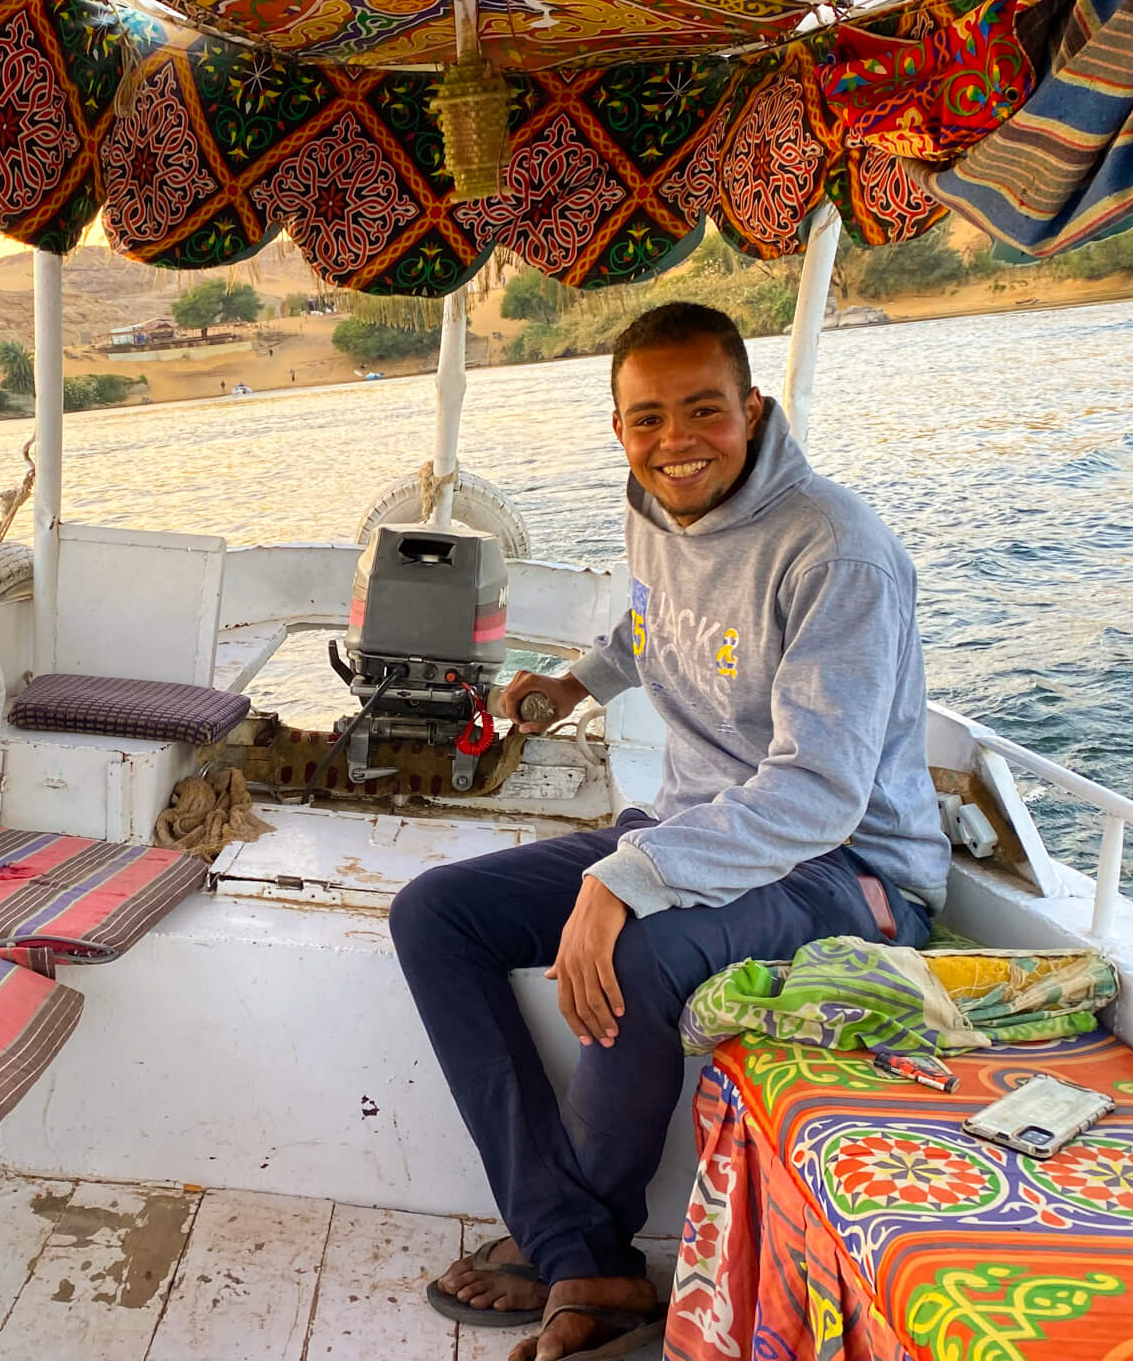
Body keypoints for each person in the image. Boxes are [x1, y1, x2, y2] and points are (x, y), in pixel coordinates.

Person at [390, 301, 949, 1361]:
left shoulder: (838, 552)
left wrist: (624, 878)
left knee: (635, 953)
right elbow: (656, 620)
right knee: (435, 915)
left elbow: (819, 794)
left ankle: (580, 1257)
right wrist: (577, 681)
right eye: (646, 419)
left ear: (753, 409)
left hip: (847, 871)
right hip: (699, 827)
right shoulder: (656, 502)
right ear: (617, 428)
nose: (674, 441)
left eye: (704, 410)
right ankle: (578, 1246)